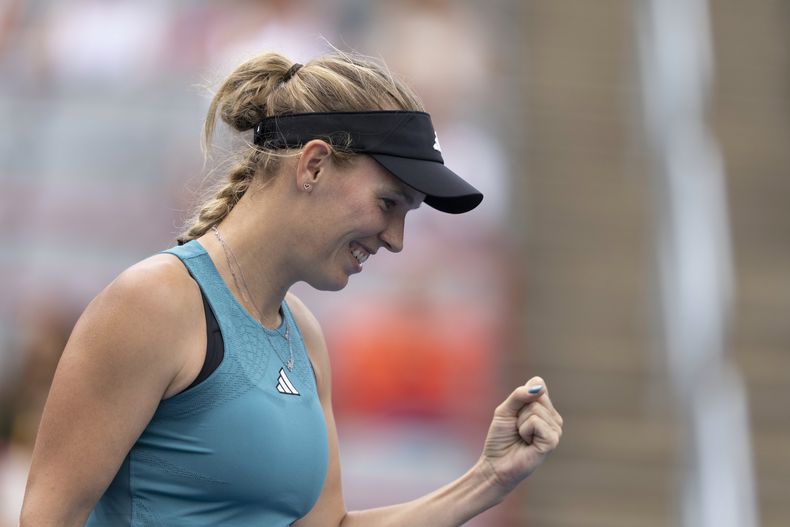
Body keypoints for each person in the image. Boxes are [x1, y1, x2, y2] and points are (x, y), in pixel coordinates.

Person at [20, 51, 563, 527]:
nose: (396, 240)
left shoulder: (303, 334)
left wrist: (489, 478)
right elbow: (48, 517)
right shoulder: (153, 304)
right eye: (388, 203)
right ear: (315, 165)